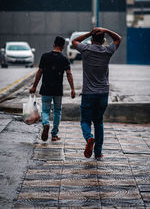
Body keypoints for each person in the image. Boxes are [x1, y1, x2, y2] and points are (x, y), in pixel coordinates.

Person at [72, 27, 121, 159]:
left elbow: (74, 41)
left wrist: (90, 33)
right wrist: (106, 30)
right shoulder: (107, 51)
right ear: (104, 40)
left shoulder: (85, 50)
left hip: (88, 93)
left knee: (85, 121)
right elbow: (118, 39)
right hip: (103, 93)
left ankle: (89, 138)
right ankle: (98, 152)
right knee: (98, 122)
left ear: (91, 39)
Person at [30, 36, 75, 142]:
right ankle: (54, 134)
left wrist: (34, 86)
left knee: (45, 110)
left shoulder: (45, 56)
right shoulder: (64, 59)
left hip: (46, 88)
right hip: (57, 90)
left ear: (54, 44)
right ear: (63, 47)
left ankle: (46, 124)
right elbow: (69, 74)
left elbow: (39, 72)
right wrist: (72, 88)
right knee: (57, 111)